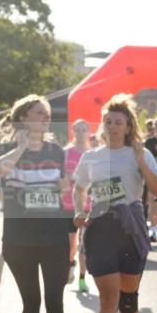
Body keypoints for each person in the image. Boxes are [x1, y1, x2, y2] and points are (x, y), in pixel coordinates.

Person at [73, 94, 157, 313]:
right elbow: (79, 188)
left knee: (128, 295)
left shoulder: (140, 153)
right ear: (103, 125)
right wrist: (78, 209)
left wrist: (141, 161)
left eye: (118, 123)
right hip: (100, 227)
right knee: (108, 298)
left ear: (128, 127)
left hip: (131, 227)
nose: (112, 126)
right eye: (108, 121)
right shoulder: (91, 157)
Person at [0, 95, 71, 313]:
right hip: (19, 240)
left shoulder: (56, 151)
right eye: (40, 113)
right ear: (24, 118)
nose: (46, 119)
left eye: (48, 115)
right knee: (32, 301)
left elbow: (63, 193)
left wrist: (72, 233)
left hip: (53, 238)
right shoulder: (6, 150)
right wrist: (23, 146)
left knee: (55, 301)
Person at [64, 119, 92, 292]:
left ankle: (82, 278)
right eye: (78, 130)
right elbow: (65, 178)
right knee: (71, 243)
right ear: (73, 132)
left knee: (85, 243)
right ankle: (70, 265)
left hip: (89, 203)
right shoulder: (66, 152)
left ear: (88, 132)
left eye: (84, 130)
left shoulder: (93, 153)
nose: (81, 133)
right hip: (69, 204)